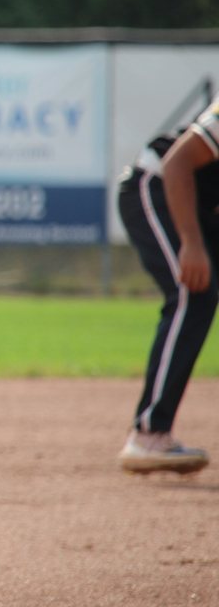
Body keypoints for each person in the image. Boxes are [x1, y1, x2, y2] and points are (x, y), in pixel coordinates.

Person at [115, 94, 219, 475]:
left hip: (203, 206)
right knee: (193, 294)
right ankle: (148, 435)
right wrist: (191, 243)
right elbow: (177, 163)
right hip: (157, 185)